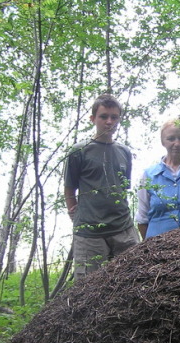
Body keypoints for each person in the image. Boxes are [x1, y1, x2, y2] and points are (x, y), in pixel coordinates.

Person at [63, 94, 139, 280]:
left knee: (132, 281)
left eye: (114, 117)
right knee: (87, 289)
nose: (109, 122)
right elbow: (69, 187)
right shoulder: (79, 151)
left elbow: (123, 187)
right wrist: (74, 212)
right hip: (90, 233)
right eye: (104, 116)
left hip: (123, 229)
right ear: (93, 119)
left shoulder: (124, 152)